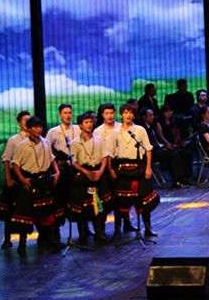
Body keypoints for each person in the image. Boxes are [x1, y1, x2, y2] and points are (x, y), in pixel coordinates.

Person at [104, 104, 160, 237]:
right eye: (125, 113)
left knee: (143, 200)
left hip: (139, 167)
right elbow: (109, 153)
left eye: (130, 113)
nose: (128, 115)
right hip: (122, 169)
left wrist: (148, 168)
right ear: (121, 115)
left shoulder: (140, 130)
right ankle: (118, 229)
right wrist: (110, 169)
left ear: (134, 115)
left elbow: (148, 149)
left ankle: (147, 228)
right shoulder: (115, 132)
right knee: (120, 200)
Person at [9, 117, 60, 254]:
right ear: (29, 129)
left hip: (44, 180)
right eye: (35, 127)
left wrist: (57, 172)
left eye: (40, 127)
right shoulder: (22, 145)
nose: (39, 130)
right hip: (30, 181)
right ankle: (22, 244)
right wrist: (22, 179)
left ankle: (49, 240)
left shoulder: (46, 142)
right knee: (26, 214)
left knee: (47, 212)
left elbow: (52, 159)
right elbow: (15, 164)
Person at [68, 112, 113, 242]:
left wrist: (100, 171)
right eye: (86, 122)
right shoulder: (75, 143)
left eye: (90, 122)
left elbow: (105, 157)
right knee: (83, 206)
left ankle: (100, 232)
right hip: (83, 173)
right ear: (80, 125)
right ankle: (83, 233)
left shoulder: (99, 140)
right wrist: (85, 172)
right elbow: (74, 162)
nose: (89, 125)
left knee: (100, 205)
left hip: (98, 172)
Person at [45, 103, 80, 242]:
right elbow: (47, 151)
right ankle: (56, 233)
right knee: (59, 199)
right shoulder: (53, 132)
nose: (68, 115)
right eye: (65, 113)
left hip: (76, 168)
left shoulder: (78, 129)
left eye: (70, 112)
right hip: (61, 169)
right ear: (60, 115)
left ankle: (84, 230)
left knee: (78, 197)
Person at [0, 110, 30, 250]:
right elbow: (6, 160)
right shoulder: (14, 140)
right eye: (25, 120)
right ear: (19, 123)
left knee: (26, 210)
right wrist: (8, 179)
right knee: (11, 210)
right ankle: (7, 239)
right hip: (16, 178)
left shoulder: (36, 138)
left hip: (29, 177)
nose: (28, 123)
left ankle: (24, 242)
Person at [93, 103, 124, 237]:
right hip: (103, 166)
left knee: (120, 197)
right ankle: (101, 229)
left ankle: (120, 226)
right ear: (102, 115)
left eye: (111, 113)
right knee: (104, 197)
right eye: (106, 113)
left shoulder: (121, 127)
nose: (109, 116)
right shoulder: (97, 131)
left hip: (119, 163)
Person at [156, 105, 193, 187]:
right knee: (176, 155)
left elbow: (176, 134)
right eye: (167, 111)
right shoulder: (159, 123)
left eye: (170, 111)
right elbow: (161, 137)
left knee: (187, 153)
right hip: (166, 145)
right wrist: (168, 144)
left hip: (174, 144)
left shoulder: (172, 122)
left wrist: (179, 142)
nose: (169, 113)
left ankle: (187, 177)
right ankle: (178, 179)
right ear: (163, 113)